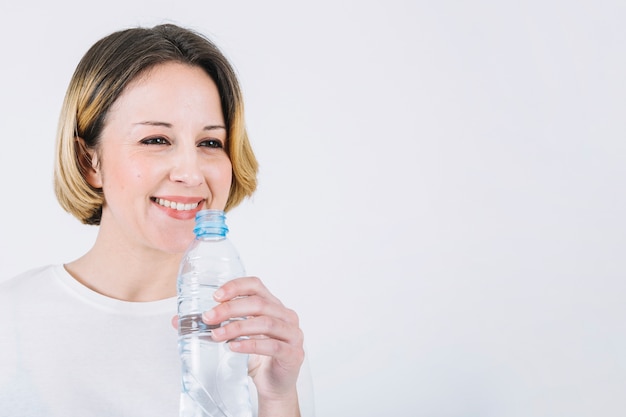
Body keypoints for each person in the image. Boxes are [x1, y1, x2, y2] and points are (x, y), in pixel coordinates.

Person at [0, 23, 313, 417]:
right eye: (156, 140)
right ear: (88, 161)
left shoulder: (255, 337)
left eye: (210, 143)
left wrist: (278, 398)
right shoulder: (8, 321)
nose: (191, 172)